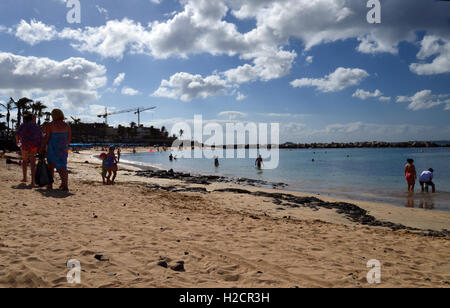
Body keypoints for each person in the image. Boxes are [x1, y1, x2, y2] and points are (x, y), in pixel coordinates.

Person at [40, 109, 72, 191]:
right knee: (63, 167)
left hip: (52, 148)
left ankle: (50, 185)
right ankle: (65, 185)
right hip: (63, 149)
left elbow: (47, 137)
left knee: (51, 166)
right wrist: (63, 145)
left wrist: (42, 147)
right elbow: (69, 139)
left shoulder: (50, 125)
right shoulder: (66, 125)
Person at [16, 113, 43, 186]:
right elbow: (40, 136)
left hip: (24, 145)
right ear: (32, 118)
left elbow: (17, 134)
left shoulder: (23, 125)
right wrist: (39, 146)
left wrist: (17, 142)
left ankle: (25, 178)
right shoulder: (36, 126)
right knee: (32, 163)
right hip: (33, 146)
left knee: (24, 161)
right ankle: (33, 181)